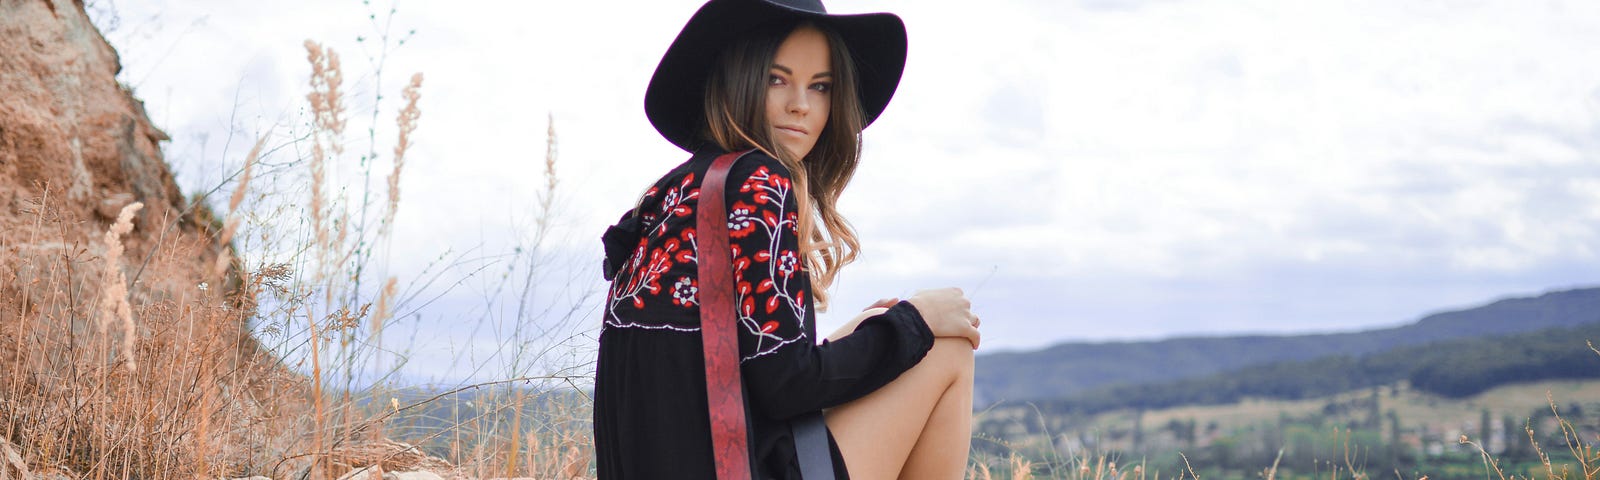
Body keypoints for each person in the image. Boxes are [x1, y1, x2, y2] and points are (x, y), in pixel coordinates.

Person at [595, 0, 982, 478]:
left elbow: (743, 365)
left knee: (892, 325)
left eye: (820, 87)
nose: (800, 103)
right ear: (738, 78)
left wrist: (868, 329)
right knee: (947, 349)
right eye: (777, 79)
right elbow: (788, 388)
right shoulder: (760, 184)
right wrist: (915, 323)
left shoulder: (672, 194)